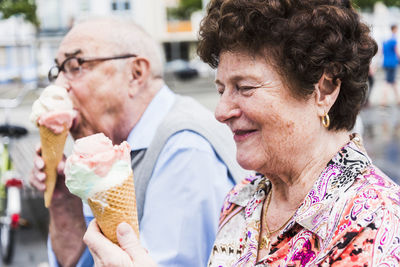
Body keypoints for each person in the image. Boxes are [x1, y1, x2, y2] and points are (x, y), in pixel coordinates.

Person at [84, 0, 400, 266]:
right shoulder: (242, 199)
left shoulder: (373, 220)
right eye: (221, 89)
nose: (221, 112)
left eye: (244, 87)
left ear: (324, 89)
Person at [29, 17, 248, 267]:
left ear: (136, 73)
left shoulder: (184, 150)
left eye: (76, 65)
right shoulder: (119, 149)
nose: (59, 86)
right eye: (57, 71)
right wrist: (61, 199)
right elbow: (78, 263)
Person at [382, 24, 400, 106]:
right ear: (394, 29)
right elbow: (397, 52)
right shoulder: (393, 40)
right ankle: (384, 101)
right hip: (392, 63)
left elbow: (382, 52)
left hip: (386, 63)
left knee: (393, 81)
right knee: (388, 82)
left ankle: (398, 99)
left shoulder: (386, 40)